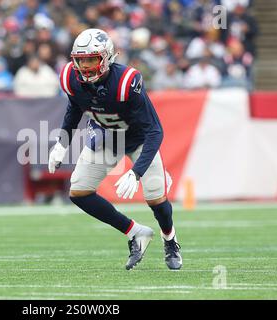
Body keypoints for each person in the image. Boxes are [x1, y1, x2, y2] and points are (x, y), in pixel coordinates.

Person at [48, 28, 182, 270]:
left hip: (139, 138)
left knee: (155, 198)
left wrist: (136, 172)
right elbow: (74, 108)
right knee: (79, 191)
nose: (85, 66)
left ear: (107, 57)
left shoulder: (126, 81)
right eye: (81, 60)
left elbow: (155, 131)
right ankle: (136, 233)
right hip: (106, 136)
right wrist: (62, 142)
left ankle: (170, 240)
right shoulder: (70, 76)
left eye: (91, 59)